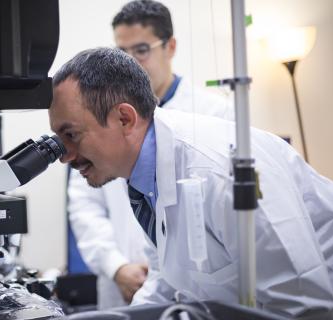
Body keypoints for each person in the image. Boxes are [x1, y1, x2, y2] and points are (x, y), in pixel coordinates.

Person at [50, 47, 333, 317]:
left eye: (71, 135)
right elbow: (167, 276)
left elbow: (305, 307)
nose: (65, 156)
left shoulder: (218, 171)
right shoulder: (141, 177)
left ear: (124, 119)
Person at [67, 0, 233, 309]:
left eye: (141, 50)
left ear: (170, 46)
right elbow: (84, 206)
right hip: (123, 281)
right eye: (122, 52)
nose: (130, 63)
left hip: (200, 282)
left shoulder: (214, 113)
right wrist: (116, 266)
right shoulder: (102, 119)